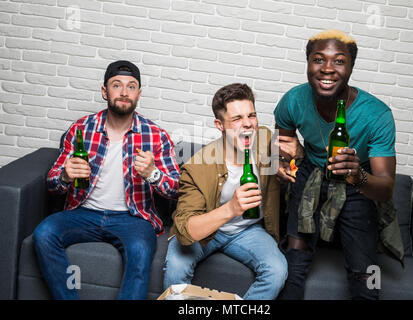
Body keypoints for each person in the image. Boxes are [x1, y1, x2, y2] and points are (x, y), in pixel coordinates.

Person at [33, 60, 180, 300]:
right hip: (84, 212)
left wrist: (153, 174)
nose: (124, 92)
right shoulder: (81, 128)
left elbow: (176, 189)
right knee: (44, 234)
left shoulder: (156, 135)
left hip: (132, 219)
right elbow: (51, 183)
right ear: (104, 91)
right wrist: (65, 175)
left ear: (139, 94)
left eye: (131, 87)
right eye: (116, 85)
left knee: (141, 250)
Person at [274, 30, 404, 300]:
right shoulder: (293, 100)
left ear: (351, 67)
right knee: (294, 259)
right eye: (318, 60)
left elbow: (386, 188)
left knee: (365, 271)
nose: (328, 69)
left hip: (358, 183)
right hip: (311, 174)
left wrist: (358, 177)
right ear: (308, 63)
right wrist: (281, 163)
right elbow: (283, 144)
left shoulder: (377, 114)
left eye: (339, 61)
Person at [164, 83, 288, 299]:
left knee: (277, 271)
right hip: (209, 229)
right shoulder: (197, 167)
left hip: (249, 231)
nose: (248, 124)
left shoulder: (266, 139)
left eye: (251, 115)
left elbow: (298, 155)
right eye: (237, 119)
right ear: (219, 125)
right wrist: (231, 209)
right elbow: (185, 232)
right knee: (176, 266)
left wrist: (294, 156)